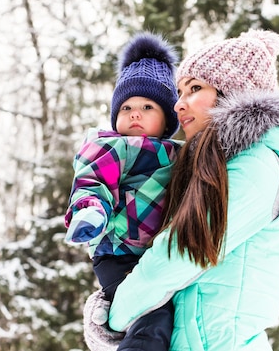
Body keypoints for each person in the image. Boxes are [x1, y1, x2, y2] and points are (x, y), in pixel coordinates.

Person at [82, 29, 279, 350]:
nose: (178, 104)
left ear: (234, 91)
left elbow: (177, 256)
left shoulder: (257, 165)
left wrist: (114, 317)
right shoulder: (218, 166)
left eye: (194, 88)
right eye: (179, 92)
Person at [64, 32, 183, 350]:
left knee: (171, 316)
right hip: (117, 253)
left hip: (158, 253)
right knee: (152, 318)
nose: (135, 113)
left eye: (147, 106)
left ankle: (107, 308)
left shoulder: (181, 153)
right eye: (127, 106)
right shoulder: (110, 147)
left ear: (167, 118)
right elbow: (92, 181)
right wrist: (91, 210)